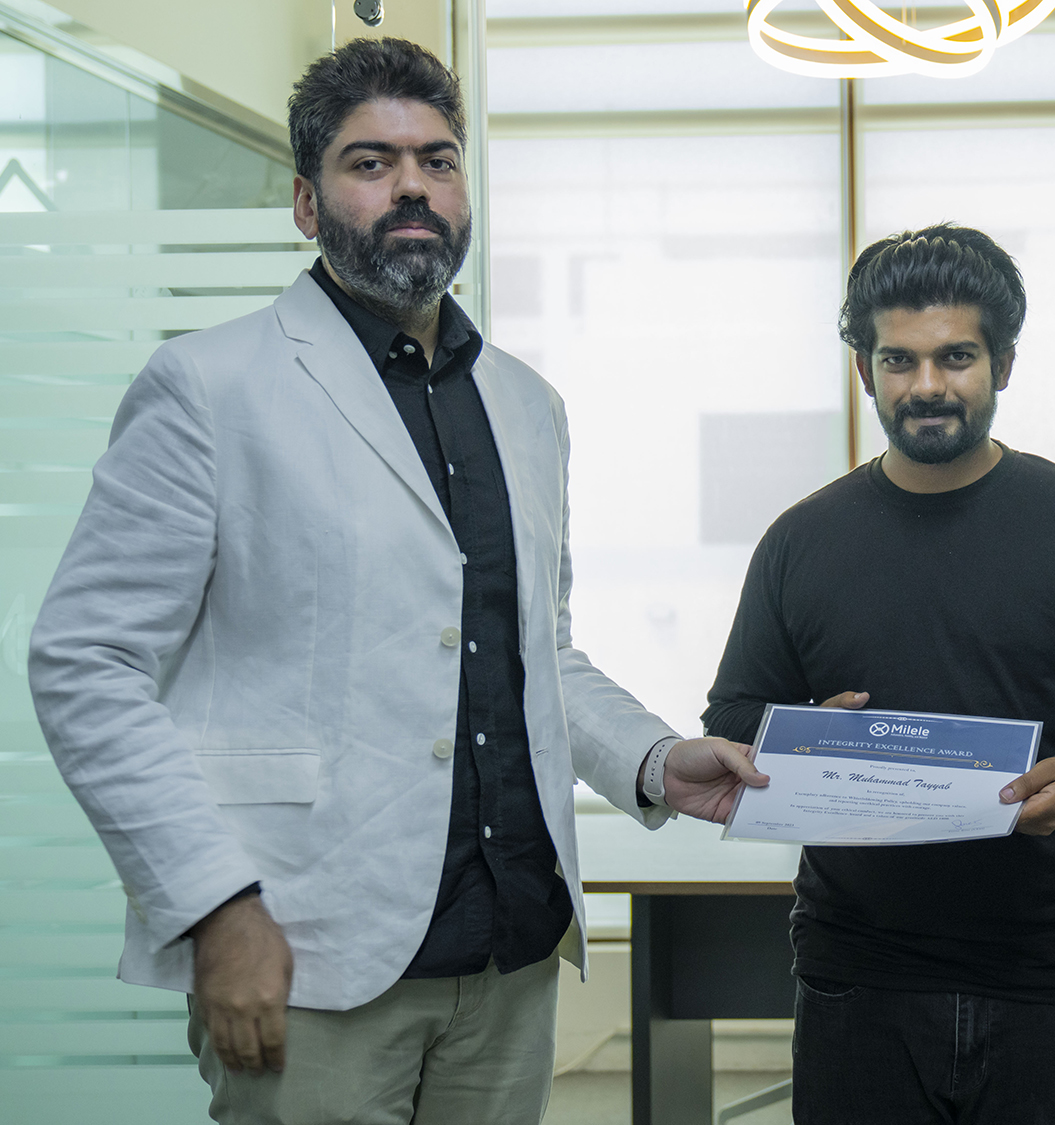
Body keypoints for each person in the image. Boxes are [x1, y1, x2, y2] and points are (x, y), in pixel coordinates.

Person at [28, 38, 765, 1125]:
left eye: (438, 160)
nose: (412, 185)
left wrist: (653, 760)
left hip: (511, 949)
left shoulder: (526, 405)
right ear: (305, 202)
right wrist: (215, 907)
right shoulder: (207, 386)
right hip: (304, 949)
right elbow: (85, 664)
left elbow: (536, 653)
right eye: (370, 162)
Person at [702, 223, 1055, 1124]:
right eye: (898, 360)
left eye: (957, 357)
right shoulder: (800, 540)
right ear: (865, 372)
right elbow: (732, 717)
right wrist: (810, 737)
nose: (927, 385)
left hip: (1051, 975)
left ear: (1003, 364)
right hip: (857, 978)